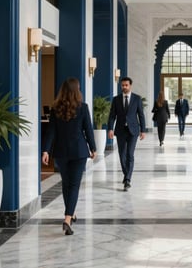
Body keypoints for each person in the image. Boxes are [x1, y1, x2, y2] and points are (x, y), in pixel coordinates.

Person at [42, 77, 97, 236]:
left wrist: (45, 150)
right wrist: (93, 148)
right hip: (79, 151)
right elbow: (88, 130)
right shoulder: (83, 107)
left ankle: (71, 213)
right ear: (76, 90)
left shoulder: (55, 108)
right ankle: (67, 219)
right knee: (74, 185)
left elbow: (51, 131)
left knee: (66, 184)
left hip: (61, 151)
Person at [108, 76, 146, 191]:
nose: (124, 87)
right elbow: (112, 116)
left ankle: (128, 179)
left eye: (126, 85)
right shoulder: (116, 99)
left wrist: (143, 130)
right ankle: (127, 175)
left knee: (130, 154)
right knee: (122, 154)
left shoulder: (137, 99)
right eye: (122, 85)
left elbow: (141, 115)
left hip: (133, 131)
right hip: (120, 130)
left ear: (130, 86)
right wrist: (110, 129)